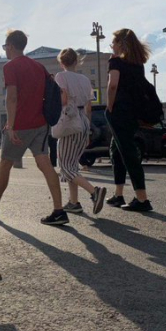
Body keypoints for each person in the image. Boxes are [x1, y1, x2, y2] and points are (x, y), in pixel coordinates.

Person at [0, 29, 67, 225]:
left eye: (5, 46)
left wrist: (11, 125)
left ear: (10, 46)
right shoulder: (39, 66)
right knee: (46, 165)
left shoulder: (11, 67)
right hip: (41, 124)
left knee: (5, 165)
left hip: (21, 125)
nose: (5, 50)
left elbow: (12, 97)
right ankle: (59, 210)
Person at [54, 48, 107, 215]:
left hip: (69, 122)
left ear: (62, 63)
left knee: (64, 166)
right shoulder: (84, 79)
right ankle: (74, 202)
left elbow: (62, 100)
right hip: (83, 122)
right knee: (72, 164)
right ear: (76, 61)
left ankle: (94, 192)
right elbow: (89, 107)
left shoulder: (61, 76)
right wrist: (88, 129)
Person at [105, 28, 153, 212]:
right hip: (133, 112)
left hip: (119, 111)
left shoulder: (116, 61)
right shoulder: (137, 63)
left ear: (120, 44)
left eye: (113, 43)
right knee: (116, 151)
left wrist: (110, 106)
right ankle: (118, 195)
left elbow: (113, 84)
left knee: (128, 153)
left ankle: (142, 199)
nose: (112, 46)